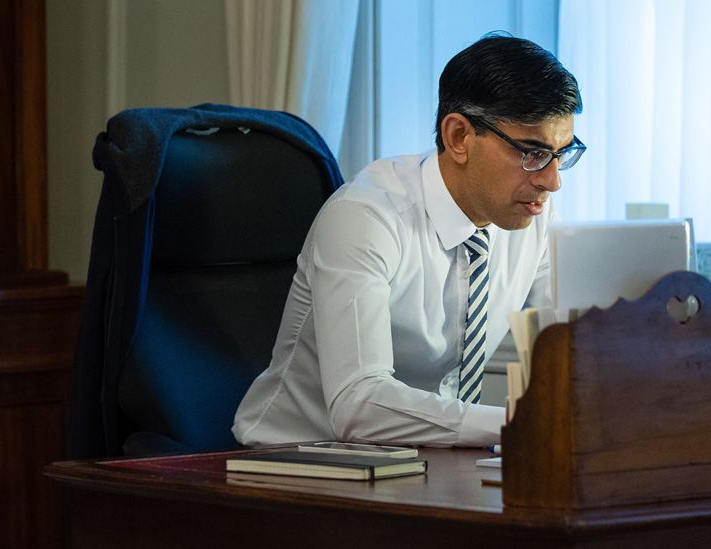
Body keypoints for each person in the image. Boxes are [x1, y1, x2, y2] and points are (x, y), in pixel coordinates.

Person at [232, 33, 584, 448]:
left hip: (422, 461)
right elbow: (358, 405)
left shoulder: (533, 218)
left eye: (564, 152)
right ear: (458, 137)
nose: (552, 180)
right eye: (532, 152)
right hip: (294, 463)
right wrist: (522, 424)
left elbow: (572, 354)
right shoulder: (366, 216)